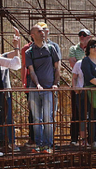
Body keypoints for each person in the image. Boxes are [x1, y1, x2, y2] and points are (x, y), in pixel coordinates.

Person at [26, 23, 61, 152]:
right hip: (35, 89)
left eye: (43, 31)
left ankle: (48, 144)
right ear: (33, 35)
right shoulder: (29, 52)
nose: (43, 33)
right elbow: (31, 71)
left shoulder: (51, 49)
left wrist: (55, 84)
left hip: (48, 89)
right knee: (36, 118)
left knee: (48, 117)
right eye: (39, 31)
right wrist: (37, 85)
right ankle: (39, 144)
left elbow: (57, 68)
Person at [69, 29, 92, 145]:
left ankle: (89, 138)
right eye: (80, 35)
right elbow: (74, 65)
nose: (82, 37)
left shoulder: (92, 50)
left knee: (89, 114)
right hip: (77, 86)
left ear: (89, 37)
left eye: (84, 35)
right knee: (76, 113)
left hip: (89, 86)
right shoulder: (73, 49)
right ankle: (74, 139)